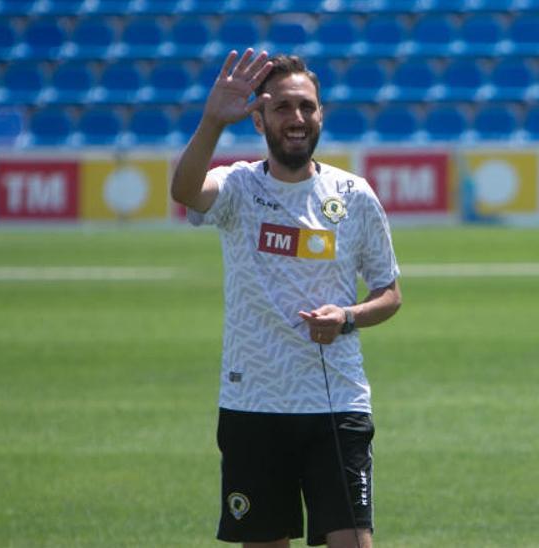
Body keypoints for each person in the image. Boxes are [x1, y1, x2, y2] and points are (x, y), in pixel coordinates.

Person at [171, 49, 402, 548]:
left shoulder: (355, 194)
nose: (296, 118)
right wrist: (212, 121)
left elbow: (389, 293)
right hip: (253, 403)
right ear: (258, 119)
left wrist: (347, 316)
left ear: (320, 113)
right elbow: (186, 190)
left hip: (337, 402)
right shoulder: (236, 186)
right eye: (282, 108)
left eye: (307, 107)